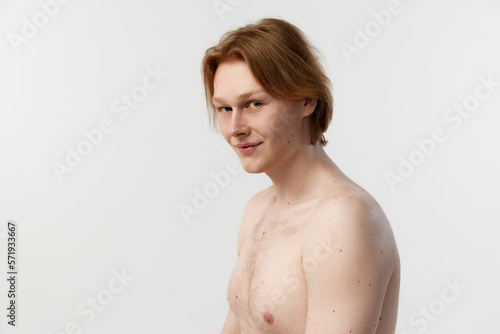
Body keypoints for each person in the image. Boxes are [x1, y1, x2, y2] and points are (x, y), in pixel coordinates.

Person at [201, 18, 400, 334]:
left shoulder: (343, 219)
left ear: (307, 99)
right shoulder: (258, 210)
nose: (235, 128)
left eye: (254, 104)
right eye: (225, 109)